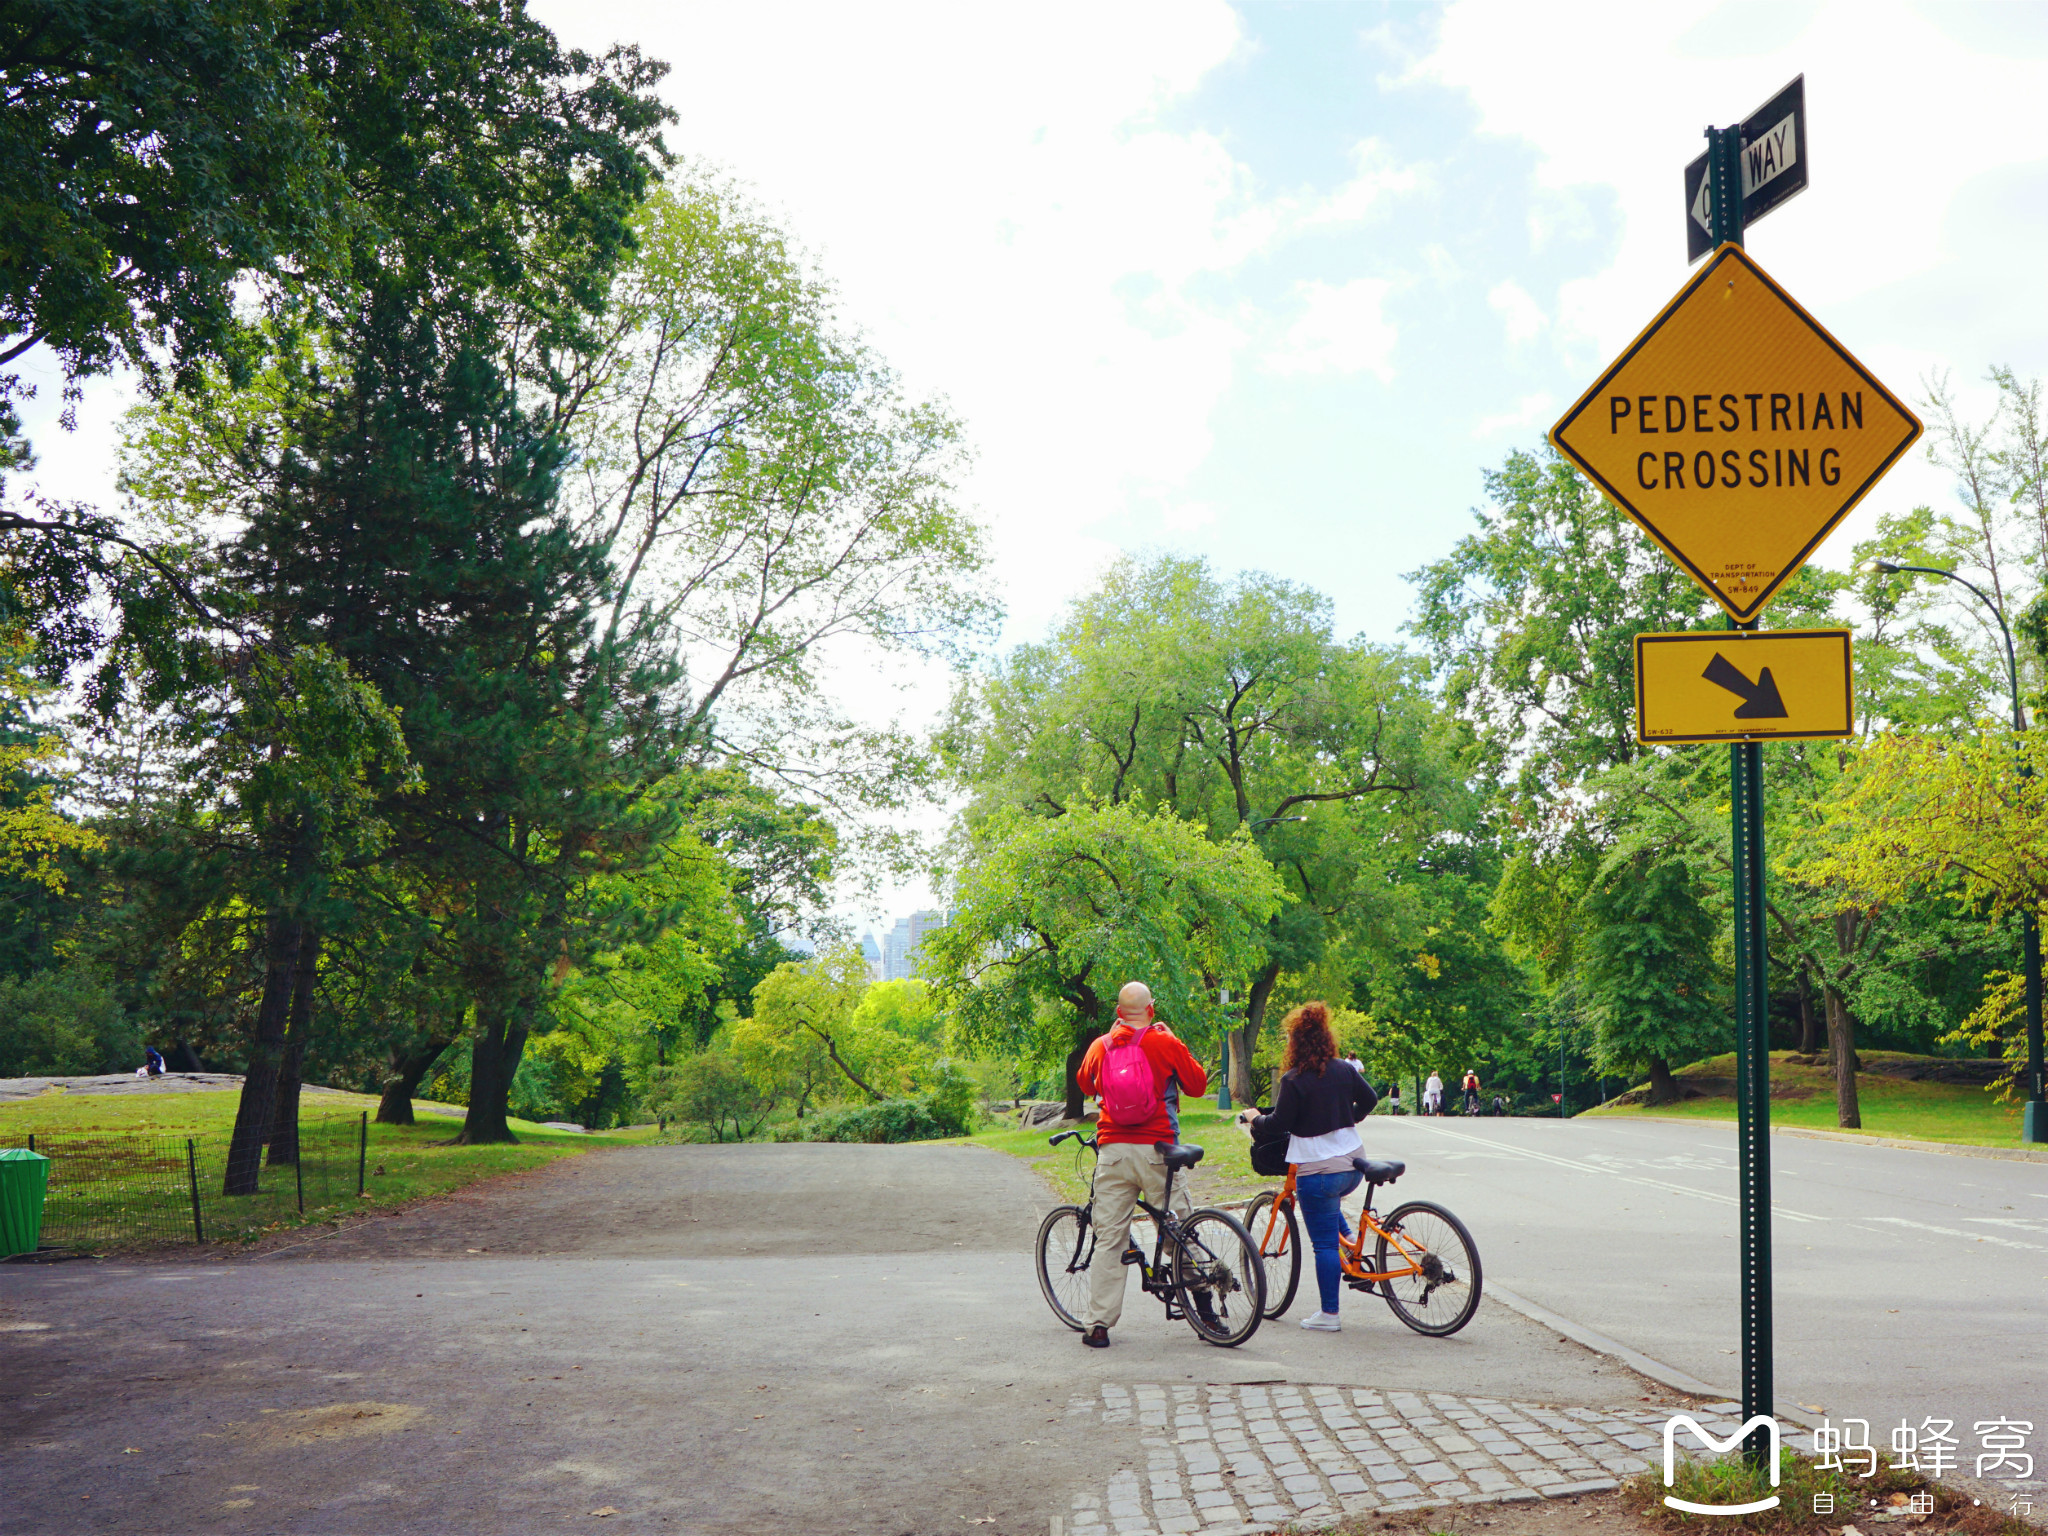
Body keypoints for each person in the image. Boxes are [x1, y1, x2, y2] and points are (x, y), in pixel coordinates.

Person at [1072, 980, 1209, 1349]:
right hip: (1157, 1150)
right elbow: (1197, 1085)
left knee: (1109, 1238)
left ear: (1118, 1013)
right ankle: (1205, 1305)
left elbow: (1085, 1083)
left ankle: (1098, 1326)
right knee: (1178, 1228)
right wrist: (1174, 1039)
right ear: (1151, 1009)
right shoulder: (1163, 1042)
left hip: (1114, 1152)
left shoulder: (1100, 1046)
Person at [1242, 1002, 1378, 1332]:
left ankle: (1329, 1315)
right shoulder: (1345, 1070)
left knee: (1323, 1245)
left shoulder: (1294, 1080)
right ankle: (1353, 1253)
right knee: (1330, 1208)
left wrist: (1253, 1118)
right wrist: (1349, 1118)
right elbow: (1371, 1099)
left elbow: (1278, 1123)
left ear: (1296, 1044)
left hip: (1317, 1172)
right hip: (1353, 1167)